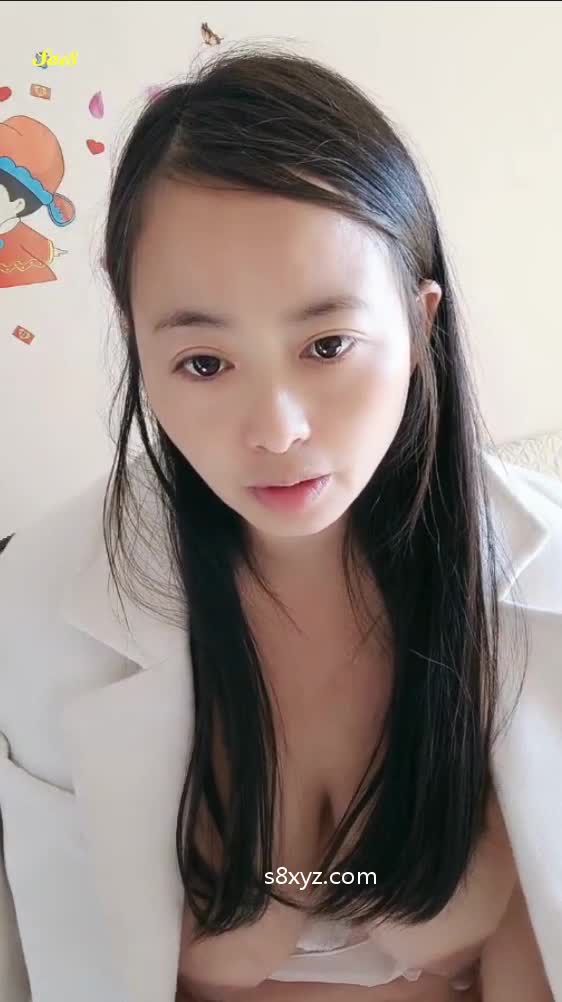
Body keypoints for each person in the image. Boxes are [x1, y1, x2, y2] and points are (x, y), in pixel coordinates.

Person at [0, 45, 560, 1002]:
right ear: (140, 349)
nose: (276, 429)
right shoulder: (35, 607)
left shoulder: (539, 586)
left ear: (420, 324)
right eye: (205, 363)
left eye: (328, 345)